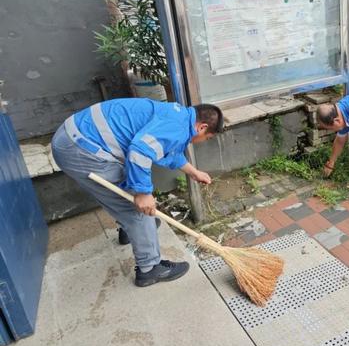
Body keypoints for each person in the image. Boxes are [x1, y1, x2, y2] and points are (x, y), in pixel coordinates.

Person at [51, 98, 223, 287]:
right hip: (81, 148)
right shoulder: (178, 127)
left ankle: (129, 230)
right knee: (138, 209)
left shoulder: (178, 116)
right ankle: (150, 269)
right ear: (202, 127)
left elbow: (169, 150)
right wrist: (142, 193)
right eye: (208, 138)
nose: (202, 142)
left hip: (73, 136)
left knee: (129, 191)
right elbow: (140, 152)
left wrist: (194, 172)